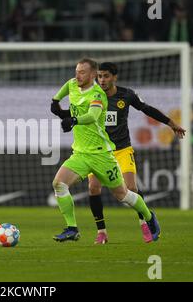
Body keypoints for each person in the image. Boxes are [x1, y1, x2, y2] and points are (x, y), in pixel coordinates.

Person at [50, 58, 161, 243]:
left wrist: (74, 120)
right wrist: (55, 102)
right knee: (59, 184)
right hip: (80, 154)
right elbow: (62, 92)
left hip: (102, 155)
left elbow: (92, 116)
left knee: (123, 195)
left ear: (92, 75)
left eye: (82, 72)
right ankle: (72, 228)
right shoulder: (71, 84)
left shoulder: (98, 95)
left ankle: (149, 218)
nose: (78, 75)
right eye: (76, 71)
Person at [89, 62, 184, 244]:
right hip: (99, 152)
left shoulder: (127, 94)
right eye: (99, 76)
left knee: (131, 189)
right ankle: (101, 232)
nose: (102, 80)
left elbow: (147, 109)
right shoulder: (92, 97)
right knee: (93, 188)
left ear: (114, 77)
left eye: (106, 76)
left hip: (122, 149)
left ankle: (145, 222)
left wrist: (171, 123)